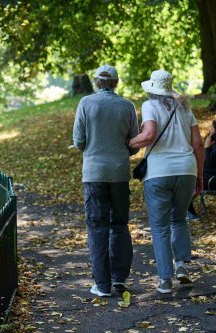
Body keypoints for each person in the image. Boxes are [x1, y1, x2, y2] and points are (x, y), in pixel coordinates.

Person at [128, 69, 204, 294]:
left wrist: (128, 142)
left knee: (160, 227)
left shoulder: (149, 106)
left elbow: (149, 135)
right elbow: (198, 144)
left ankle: (165, 280)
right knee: (179, 220)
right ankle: (181, 267)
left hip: (159, 173)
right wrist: (199, 175)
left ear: (152, 89)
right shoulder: (186, 108)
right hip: (186, 170)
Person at [73, 65, 140, 297]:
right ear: (116, 83)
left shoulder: (86, 103)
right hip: (119, 173)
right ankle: (119, 279)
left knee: (97, 227)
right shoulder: (127, 106)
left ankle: (102, 285)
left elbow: (79, 140)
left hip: (94, 173)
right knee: (120, 225)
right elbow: (134, 142)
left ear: (96, 82)